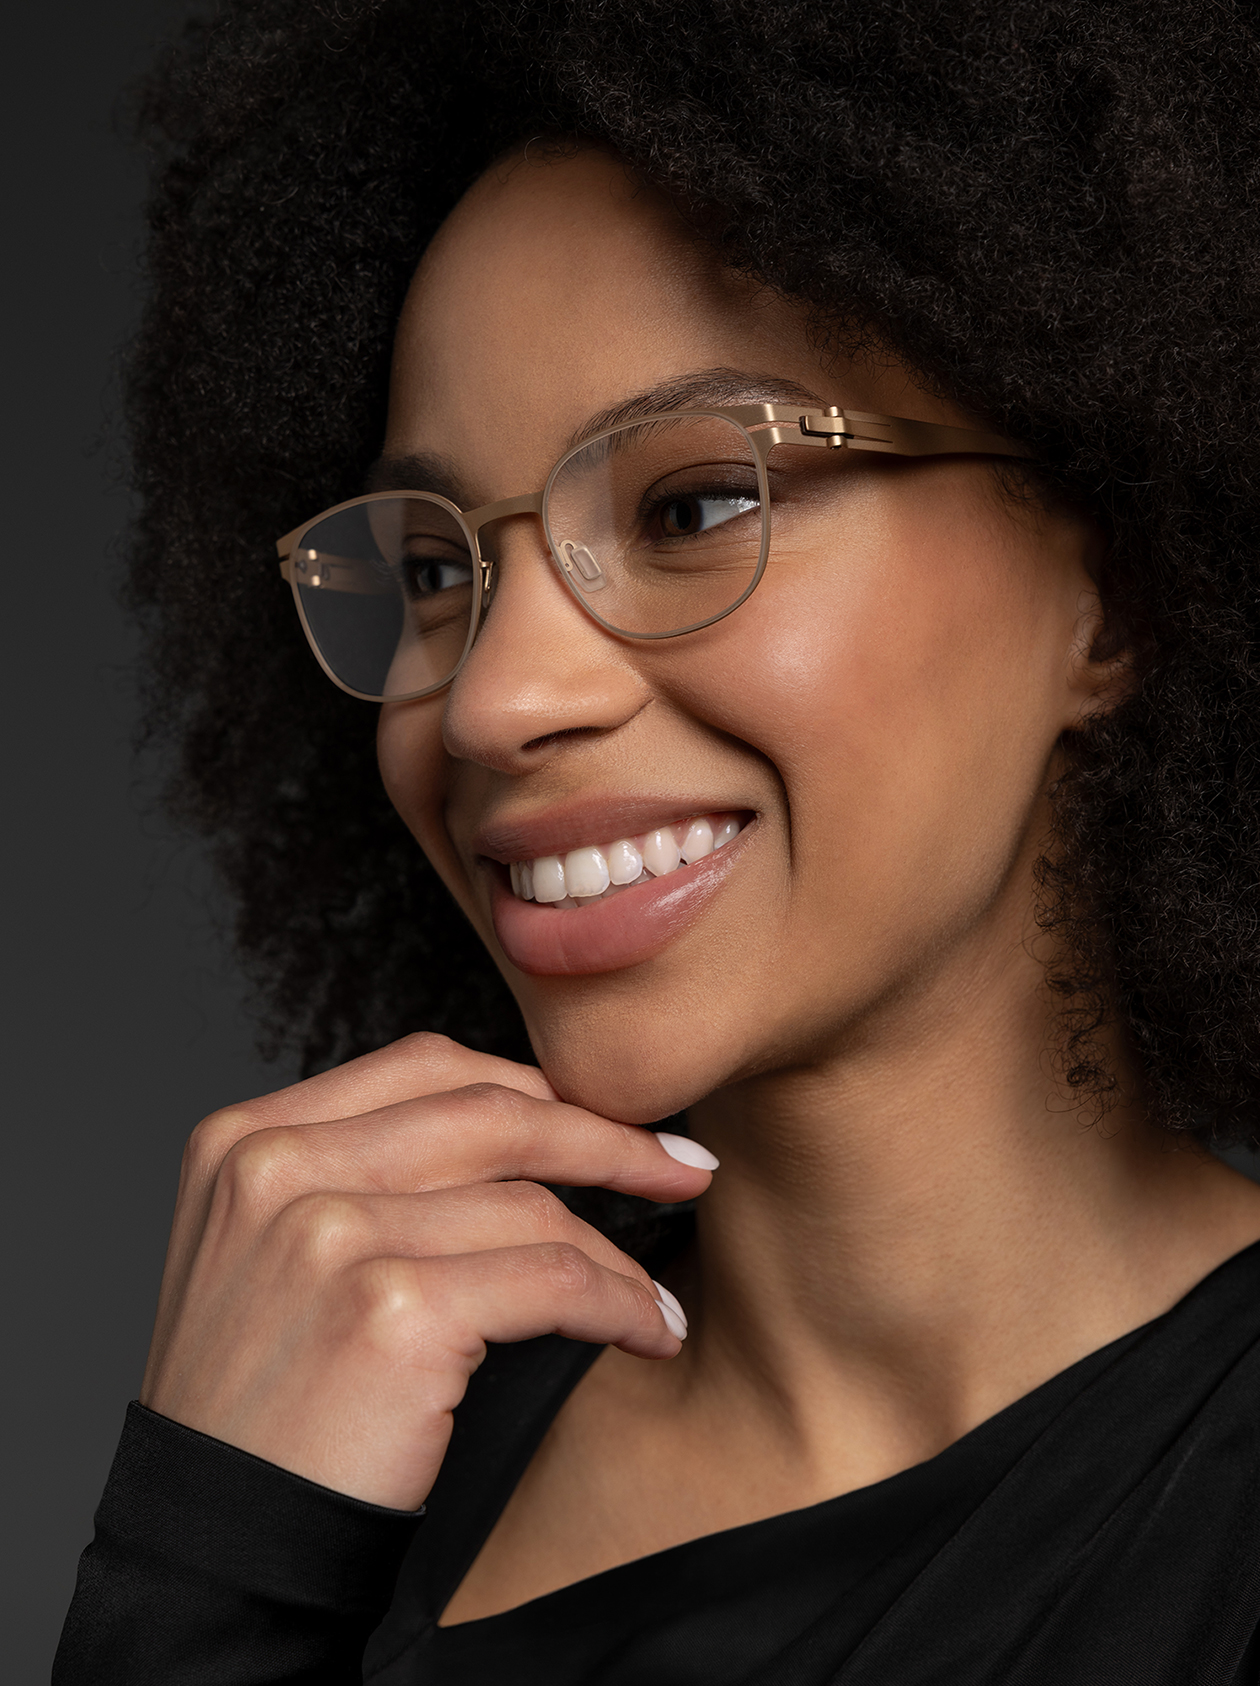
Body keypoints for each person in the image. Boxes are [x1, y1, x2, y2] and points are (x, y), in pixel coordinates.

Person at [54, 2, 1260, 1681]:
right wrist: (203, 1571)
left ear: (1112, 590)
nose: (490, 702)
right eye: (433, 572)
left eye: (694, 507)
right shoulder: (350, 1442)